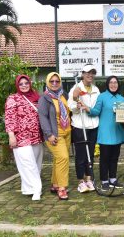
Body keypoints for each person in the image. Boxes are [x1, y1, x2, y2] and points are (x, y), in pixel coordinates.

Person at [82, 76, 124, 191]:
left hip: (117, 132)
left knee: (114, 158)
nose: (113, 85)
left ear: (118, 84)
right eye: (111, 82)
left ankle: (112, 179)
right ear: (107, 84)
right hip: (105, 133)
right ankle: (104, 180)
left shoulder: (122, 99)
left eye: (115, 82)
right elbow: (96, 111)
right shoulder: (102, 97)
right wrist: (87, 108)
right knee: (105, 158)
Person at [5, 75, 44, 201]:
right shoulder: (13, 98)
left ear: (30, 83)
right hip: (21, 137)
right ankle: (37, 189)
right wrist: (11, 135)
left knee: (36, 164)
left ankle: (28, 188)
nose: (24, 85)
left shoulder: (36, 97)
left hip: (36, 136)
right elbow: (9, 118)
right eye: (21, 84)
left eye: (26, 83)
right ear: (17, 85)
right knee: (27, 164)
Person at [38, 72, 71, 200]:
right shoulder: (44, 98)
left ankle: (55, 184)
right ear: (47, 82)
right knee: (63, 158)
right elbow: (43, 117)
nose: (54, 83)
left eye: (57, 81)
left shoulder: (64, 95)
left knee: (59, 159)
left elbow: (69, 110)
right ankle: (62, 188)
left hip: (67, 132)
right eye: (52, 81)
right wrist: (49, 134)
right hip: (54, 135)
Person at [67, 64, 100, 193]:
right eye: (87, 73)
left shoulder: (96, 89)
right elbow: (72, 108)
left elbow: (97, 108)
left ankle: (89, 178)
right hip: (80, 126)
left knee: (90, 154)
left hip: (93, 126)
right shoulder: (76, 88)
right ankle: (81, 181)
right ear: (82, 74)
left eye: (92, 73)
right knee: (81, 155)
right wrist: (75, 99)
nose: (90, 75)